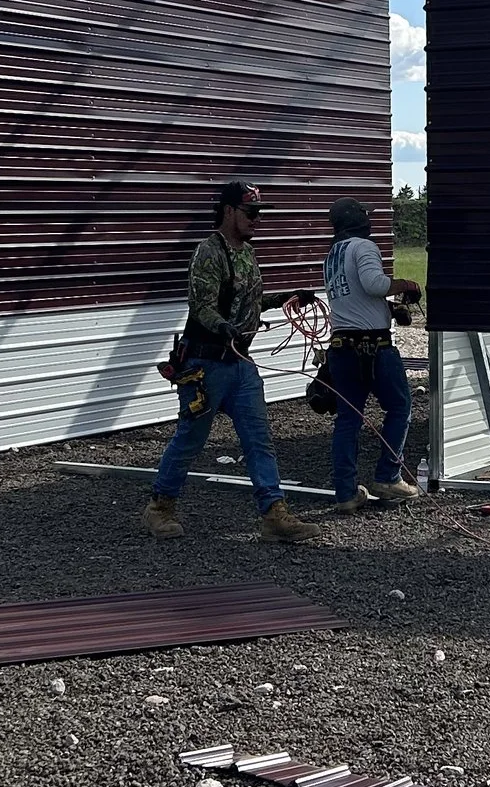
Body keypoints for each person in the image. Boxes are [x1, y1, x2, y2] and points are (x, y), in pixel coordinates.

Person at [145, 180, 318, 544]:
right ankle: (160, 507)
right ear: (228, 211)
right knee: (191, 438)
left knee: (259, 440)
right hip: (206, 367)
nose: (257, 219)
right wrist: (224, 328)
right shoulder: (208, 252)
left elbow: (248, 302)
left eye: (258, 213)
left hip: (240, 366)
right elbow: (202, 307)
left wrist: (285, 298)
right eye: (250, 212)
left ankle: (274, 513)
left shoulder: (247, 253)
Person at [321, 197, 420, 508]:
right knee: (400, 407)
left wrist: (388, 310)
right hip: (374, 348)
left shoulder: (333, 254)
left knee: (348, 419)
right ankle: (388, 476)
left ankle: (346, 494)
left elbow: (356, 301)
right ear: (358, 221)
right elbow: (374, 284)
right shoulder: (363, 247)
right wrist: (406, 284)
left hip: (342, 348)